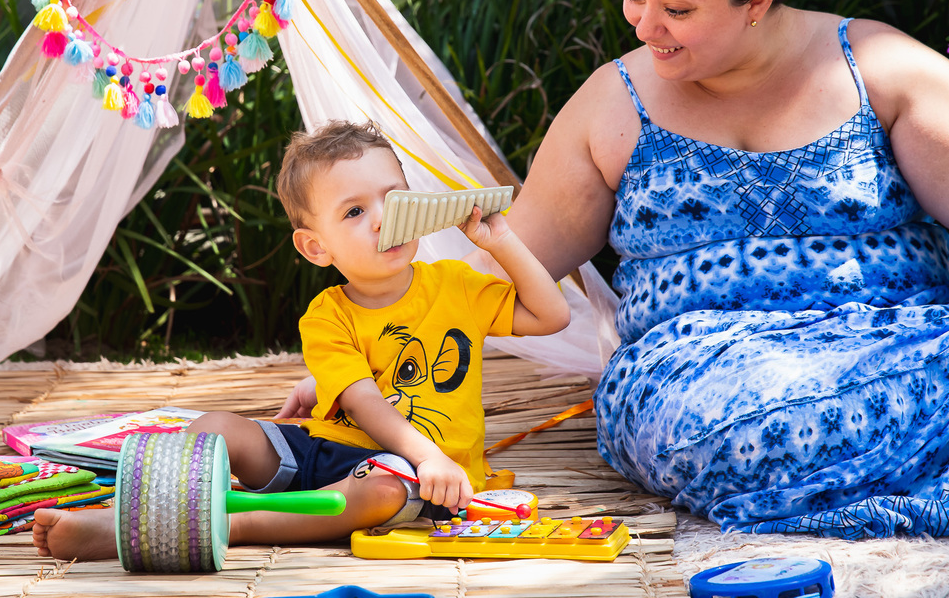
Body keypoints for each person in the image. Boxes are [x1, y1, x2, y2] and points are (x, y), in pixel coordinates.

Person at [277, 0, 949, 540]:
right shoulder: (616, 102)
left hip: (902, 340)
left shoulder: (880, 69)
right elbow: (499, 270)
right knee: (749, 434)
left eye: (678, 8)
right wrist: (364, 361)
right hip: (709, 377)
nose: (644, 25)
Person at [32, 120, 569, 560]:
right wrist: (413, 445)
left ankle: (236, 524)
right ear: (316, 248)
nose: (383, 219)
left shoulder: (455, 285)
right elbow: (364, 401)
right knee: (217, 427)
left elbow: (552, 315)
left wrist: (502, 241)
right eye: (354, 212)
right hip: (329, 448)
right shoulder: (327, 315)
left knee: (379, 491)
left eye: (394, 198)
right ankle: (129, 518)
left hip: (414, 477)